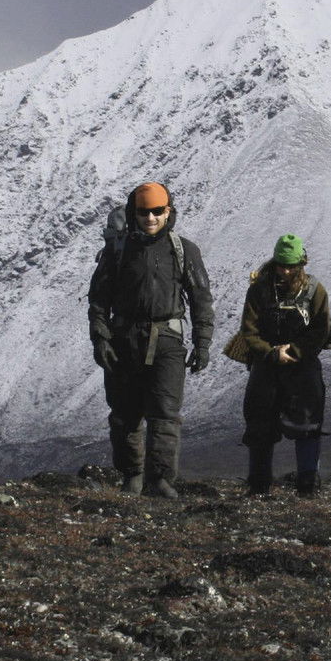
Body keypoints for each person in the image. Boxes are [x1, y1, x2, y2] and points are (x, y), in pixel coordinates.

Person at [88, 182, 213, 498]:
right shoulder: (117, 251)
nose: (151, 218)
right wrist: (101, 339)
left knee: (165, 413)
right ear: (134, 213)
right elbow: (99, 300)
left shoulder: (184, 250)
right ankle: (132, 475)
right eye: (144, 212)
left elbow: (201, 299)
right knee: (124, 414)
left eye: (158, 211)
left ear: (168, 211)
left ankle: (159, 480)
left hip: (167, 341)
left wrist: (202, 343)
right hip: (123, 340)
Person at [235, 234, 331, 497]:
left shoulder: (315, 291)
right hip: (266, 366)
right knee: (259, 426)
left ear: (302, 263)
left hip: (303, 367)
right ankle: (258, 486)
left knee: (308, 425)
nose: (286, 271)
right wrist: (271, 353)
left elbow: (320, 330)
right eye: (281, 265)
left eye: (291, 266)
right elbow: (249, 331)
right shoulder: (259, 290)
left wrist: (294, 351)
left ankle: (307, 486)